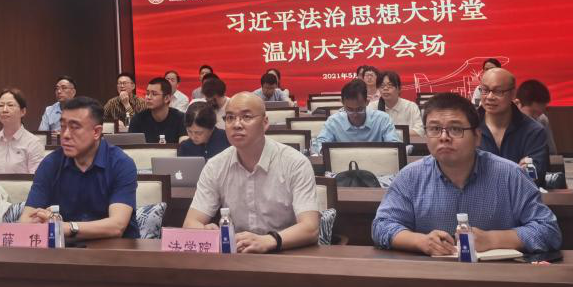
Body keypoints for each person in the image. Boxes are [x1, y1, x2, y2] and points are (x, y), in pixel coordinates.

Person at [372, 93, 562, 255]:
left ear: (477, 137)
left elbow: (548, 231)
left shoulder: (510, 175)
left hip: (497, 276)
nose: (444, 137)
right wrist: (421, 241)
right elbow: (382, 225)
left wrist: (492, 239)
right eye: (435, 129)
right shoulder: (410, 177)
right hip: (432, 276)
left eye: (455, 129)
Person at [183, 93, 321, 252]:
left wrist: (268, 241)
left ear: (265, 122)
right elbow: (190, 223)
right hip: (238, 254)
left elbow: (310, 228)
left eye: (246, 117)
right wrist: (205, 232)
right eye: (230, 118)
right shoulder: (215, 165)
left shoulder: (295, 163)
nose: (237, 124)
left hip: (286, 252)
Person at [22, 96, 138, 239]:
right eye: (63, 126)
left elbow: (117, 226)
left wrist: (65, 227)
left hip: (116, 249)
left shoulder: (120, 164)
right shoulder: (51, 163)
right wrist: (43, 221)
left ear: (96, 132)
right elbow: (26, 221)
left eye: (75, 127)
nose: (65, 135)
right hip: (64, 249)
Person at [477, 68, 548, 185]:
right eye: (485, 90)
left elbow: (534, 176)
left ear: (513, 94)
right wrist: (516, 171)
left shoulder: (533, 131)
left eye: (498, 91)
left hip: (519, 195)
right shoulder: (469, 126)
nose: (489, 97)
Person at [315, 79, 401, 146]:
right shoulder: (334, 121)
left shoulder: (382, 119)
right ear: (342, 103)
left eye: (359, 109)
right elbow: (319, 144)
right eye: (349, 109)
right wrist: (324, 151)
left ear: (367, 102)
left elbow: (394, 146)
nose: (355, 114)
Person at [0, 87, 45, 174]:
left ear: (23, 111)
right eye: (1, 105)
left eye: (10, 105)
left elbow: (37, 178)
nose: (4, 110)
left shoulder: (33, 143)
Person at [128, 76, 186, 143]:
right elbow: (132, 147)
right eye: (147, 93)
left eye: (154, 94)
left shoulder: (181, 118)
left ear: (167, 98)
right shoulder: (138, 119)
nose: (148, 97)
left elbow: (185, 144)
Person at [516, 79, 559, 155]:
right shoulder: (504, 120)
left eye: (539, 113)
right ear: (517, 103)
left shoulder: (542, 119)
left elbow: (551, 152)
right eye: (532, 112)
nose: (535, 118)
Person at [376, 70, 424, 138]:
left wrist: (391, 133)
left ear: (399, 89)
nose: (385, 88)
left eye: (390, 85)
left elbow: (420, 132)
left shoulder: (411, 107)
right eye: (382, 86)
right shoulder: (372, 108)